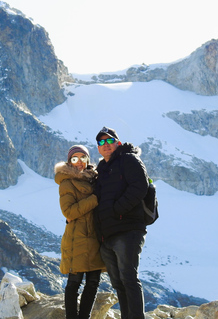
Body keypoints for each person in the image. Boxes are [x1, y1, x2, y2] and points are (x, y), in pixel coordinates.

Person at [93, 126, 149, 319]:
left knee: (129, 278)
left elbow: (141, 186)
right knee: (118, 282)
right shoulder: (101, 168)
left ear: (117, 142)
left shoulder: (129, 159)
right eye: (101, 142)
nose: (106, 145)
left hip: (128, 229)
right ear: (98, 148)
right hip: (107, 235)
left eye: (109, 141)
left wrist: (117, 210)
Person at [54, 145, 106, 319]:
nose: (79, 163)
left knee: (93, 283)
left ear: (87, 160)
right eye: (74, 159)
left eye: (82, 158)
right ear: (69, 162)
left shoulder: (95, 179)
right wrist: (94, 199)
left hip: (96, 238)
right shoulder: (67, 182)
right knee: (74, 283)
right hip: (77, 238)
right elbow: (69, 212)